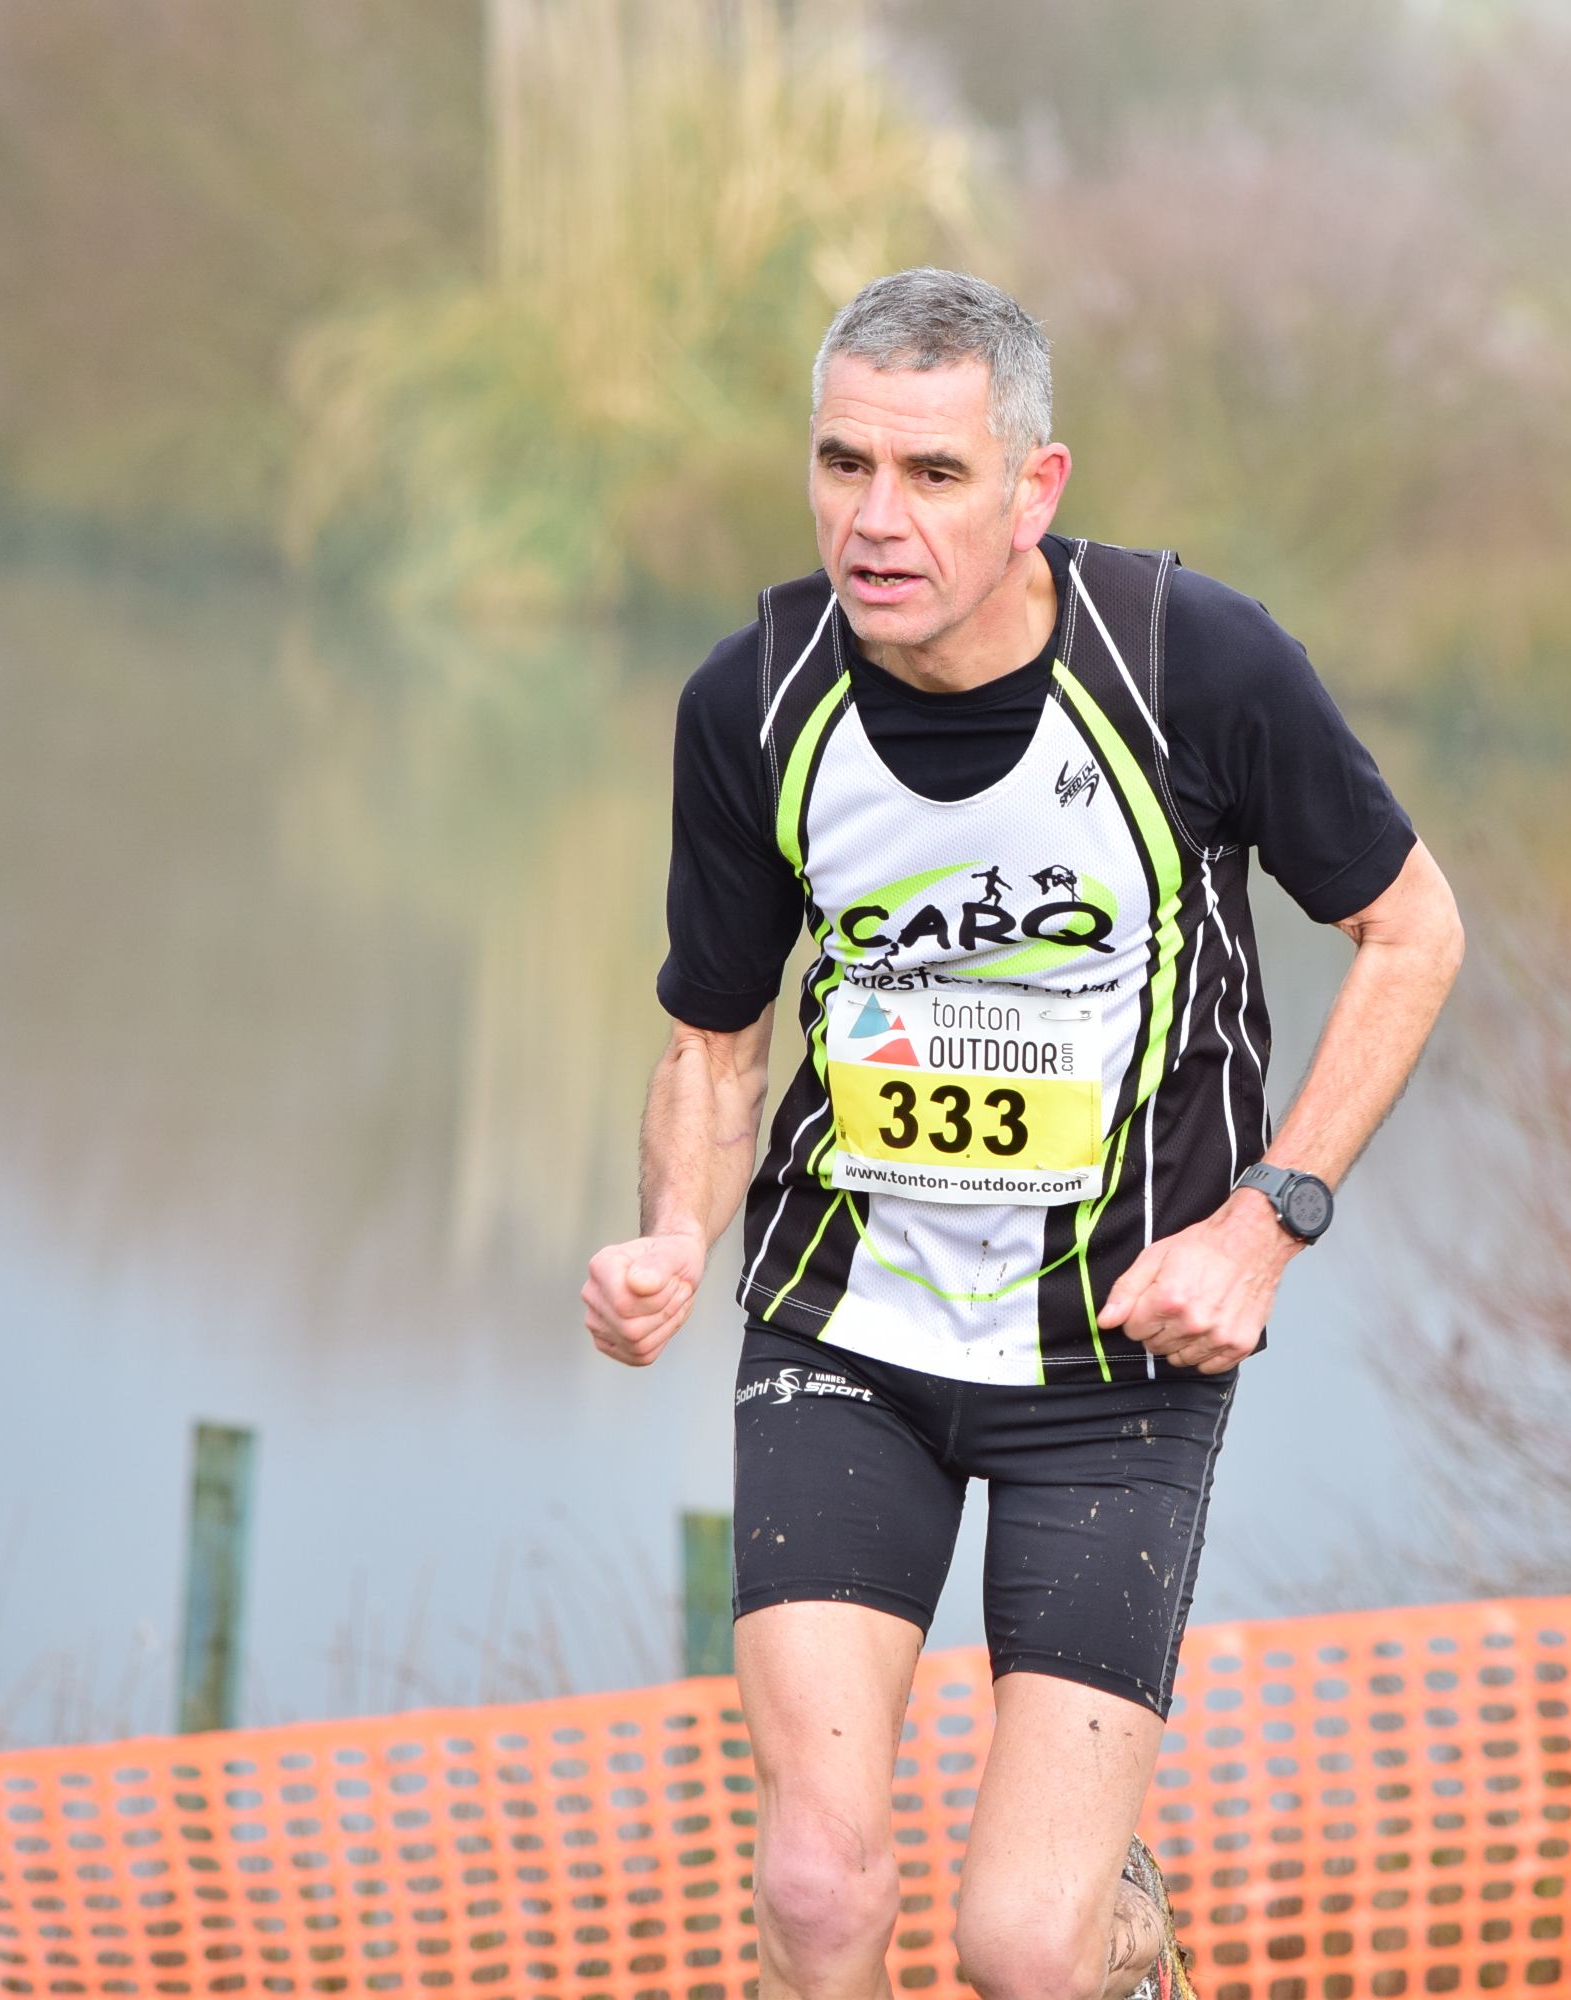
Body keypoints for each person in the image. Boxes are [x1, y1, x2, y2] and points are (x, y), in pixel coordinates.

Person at [581, 268, 1464, 2000]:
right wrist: (677, 1230)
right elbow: (715, 1034)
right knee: (818, 1883)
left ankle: (1121, 1931)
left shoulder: (1192, 664)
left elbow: (1412, 930)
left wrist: (1265, 1222)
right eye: (844, 465)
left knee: (1025, 1945)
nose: (876, 519)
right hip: (846, 1333)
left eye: (934, 474)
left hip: (1114, 1364)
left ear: (1033, 488)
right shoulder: (751, 701)